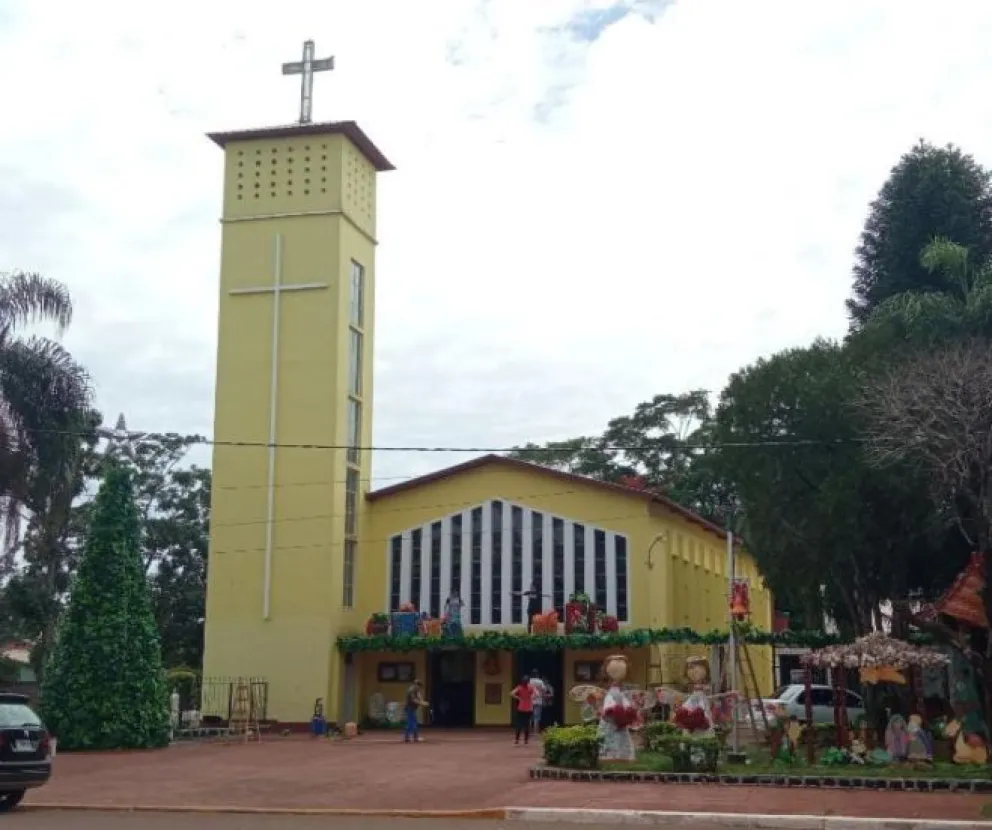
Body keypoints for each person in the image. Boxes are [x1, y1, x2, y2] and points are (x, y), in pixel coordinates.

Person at [510, 674, 535, 745]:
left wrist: (518, 698)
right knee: (527, 724)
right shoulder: (531, 687)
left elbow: (511, 693)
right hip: (529, 708)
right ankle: (526, 740)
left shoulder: (519, 687)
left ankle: (517, 740)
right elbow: (537, 694)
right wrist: (531, 697)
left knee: (519, 724)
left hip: (521, 708)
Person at [404, 679, 427, 743]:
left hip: (412, 708)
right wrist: (422, 703)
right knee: (412, 723)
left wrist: (422, 701)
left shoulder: (416, 690)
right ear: (416, 685)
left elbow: (419, 696)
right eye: (419, 686)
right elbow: (413, 700)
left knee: (411, 722)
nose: (419, 688)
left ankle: (408, 737)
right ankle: (415, 737)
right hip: (410, 708)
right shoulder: (411, 690)